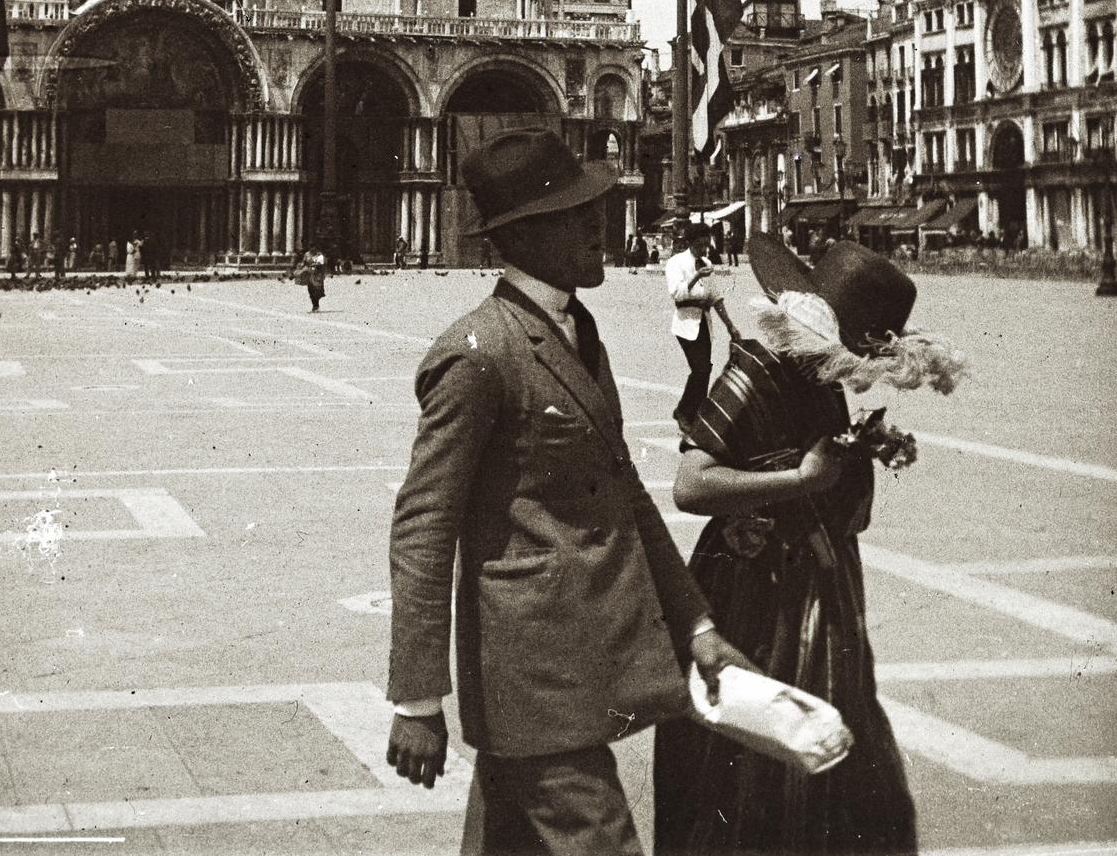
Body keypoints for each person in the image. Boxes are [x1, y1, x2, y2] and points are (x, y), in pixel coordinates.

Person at [386, 129, 748, 853]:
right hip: (539, 676)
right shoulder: (478, 352)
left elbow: (625, 496)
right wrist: (418, 698)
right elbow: (423, 524)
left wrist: (696, 626)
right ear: (523, 236)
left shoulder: (577, 329)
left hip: (571, 664)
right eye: (576, 215)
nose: (598, 228)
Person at [653, 235, 964, 854]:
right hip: (758, 591)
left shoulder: (815, 373)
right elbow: (690, 483)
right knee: (761, 749)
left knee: (830, 735)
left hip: (820, 587)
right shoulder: (759, 367)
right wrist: (799, 479)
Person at [665, 223, 743, 436]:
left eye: (707, 245)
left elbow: (716, 297)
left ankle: (695, 415)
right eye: (699, 245)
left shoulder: (707, 263)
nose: (704, 249)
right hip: (685, 323)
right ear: (689, 243)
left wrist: (730, 326)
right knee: (699, 369)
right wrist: (697, 276)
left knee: (705, 369)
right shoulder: (676, 263)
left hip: (703, 323)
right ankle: (683, 412)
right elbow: (677, 294)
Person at [291, 245, 327, 311]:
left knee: (317, 290)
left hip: (317, 275)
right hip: (309, 274)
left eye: (314, 247)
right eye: (311, 247)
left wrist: (314, 265)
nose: (312, 249)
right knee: (311, 290)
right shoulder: (307, 254)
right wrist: (300, 267)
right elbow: (304, 263)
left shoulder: (319, 254)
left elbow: (320, 264)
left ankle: (316, 305)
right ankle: (315, 306)